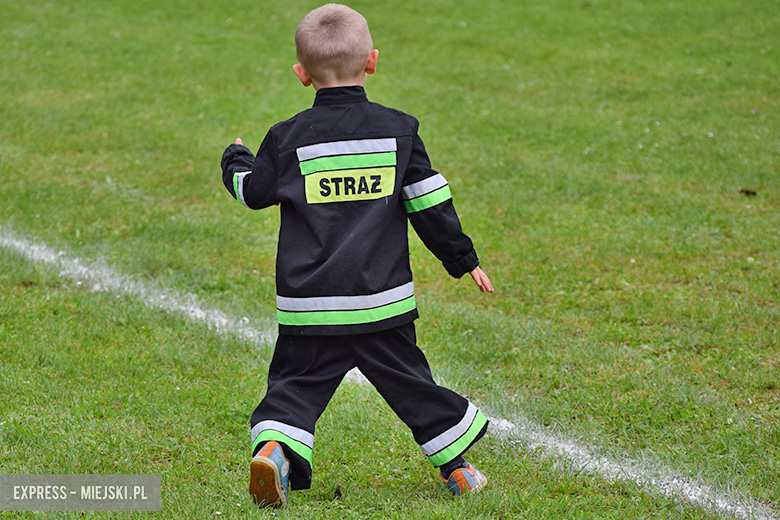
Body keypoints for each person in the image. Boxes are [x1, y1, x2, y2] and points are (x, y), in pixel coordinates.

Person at [220, 3, 494, 508]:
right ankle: (457, 472)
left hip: (310, 305)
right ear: (371, 61)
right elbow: (430, 204)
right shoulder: (399, 130)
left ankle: (276, 451)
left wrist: (234, 160)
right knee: (412, 384)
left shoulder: (287, 138)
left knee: (296, 384)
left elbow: (253, 191)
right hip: (381, 302)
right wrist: (463, 258)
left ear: (302, 75)